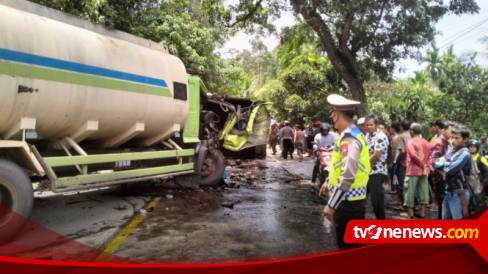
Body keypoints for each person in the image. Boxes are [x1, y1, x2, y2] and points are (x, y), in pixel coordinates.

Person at [319, 94, 370, 249]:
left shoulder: (349, 139)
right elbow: (339, 166)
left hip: (348, 203)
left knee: (347, 246)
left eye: (332, 115)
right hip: (350, 200)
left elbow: (347, 175)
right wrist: (328, 181)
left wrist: (331, 206)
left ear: (335, 115)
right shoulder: (351, 135)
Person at [435, 125, 471, 220]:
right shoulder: (452, 151)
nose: (453, 141)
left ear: (465, 139)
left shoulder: (464, 153)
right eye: (452, 137)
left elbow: (449, 170)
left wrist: (445, 163)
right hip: (448, 192)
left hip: (458, 194)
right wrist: (448, 163)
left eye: (457, 138)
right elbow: (435, 163)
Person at [401, 123, 431, 219]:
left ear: (411, 132)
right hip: (424, 171)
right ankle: (422, 212)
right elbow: (429, 156)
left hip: (412, 170)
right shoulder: (426, 142)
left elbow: (413, 155)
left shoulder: (411, 141)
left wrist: (421, 165)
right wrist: (426, 166)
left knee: (409, 190)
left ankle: (410, 212)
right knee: (423, 190)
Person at [427, 121, 455, 219]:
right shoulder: (439, 143)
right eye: (451, 130)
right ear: (443, 131)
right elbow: (433, 161)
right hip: (440, 178)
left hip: (443, 178)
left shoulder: (447, 142)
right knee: (442, 205)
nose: (453, 133)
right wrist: (443, 173)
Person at [364, 115, 389, 219]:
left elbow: (376, 156)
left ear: (376, 125)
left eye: (371, 125)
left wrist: (360, 166)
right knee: (362, 198)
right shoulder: (367, 136)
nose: (368, 127)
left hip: (376, 173)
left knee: (377, 201)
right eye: (366, 125)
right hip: (367, 172)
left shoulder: (380, 137)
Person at [392, 119, 412, 211]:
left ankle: (405, 205)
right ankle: (413, 204)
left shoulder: (401, 136)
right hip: (413, 164)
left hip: (404, 163)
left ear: (401, 127)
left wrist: (397, 160)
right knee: (411, 184)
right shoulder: (415, 135)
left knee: (403, 184)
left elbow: (403, 151)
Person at [466, 139, 488, 210]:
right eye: (471, 147)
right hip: (468, 183)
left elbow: (487, 171)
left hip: (478, 183)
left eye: (474, 147)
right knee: (468, 201)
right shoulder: (466, 157)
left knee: (481, 201)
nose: (472, 148)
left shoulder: (481, 158)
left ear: (477, 148)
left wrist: (484, 182)